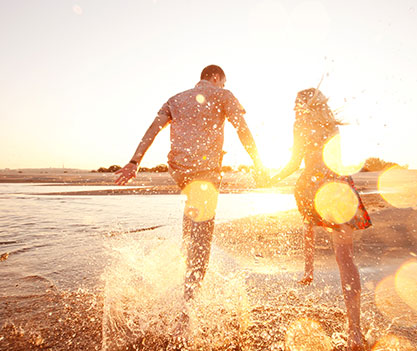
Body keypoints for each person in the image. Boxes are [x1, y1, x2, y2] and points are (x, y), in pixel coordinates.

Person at [114, 64, 267, 339]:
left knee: (192, 219)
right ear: (217, 78)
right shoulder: (223, 94)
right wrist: (258, 162)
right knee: (202, 240)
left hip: (180, 171)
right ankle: (185, 316)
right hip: (205, 172)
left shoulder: (176, 99)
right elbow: (241, 129)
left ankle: (183, 277)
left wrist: (134, 162)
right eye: (221, 81)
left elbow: (153, 130)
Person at [269, 88, 371, 350]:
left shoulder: (300, 123)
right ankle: (355, 333)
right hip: (338, 186)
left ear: (304, 104)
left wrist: (269, 178)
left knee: (308, 219)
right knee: (346, 257)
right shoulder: (332, 126)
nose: (293, 107)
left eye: (296, 103)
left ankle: (308, 268)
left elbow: (294, 163)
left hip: (312, 185)